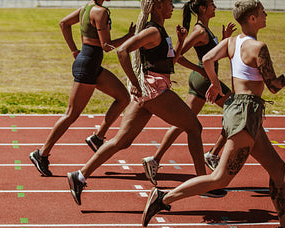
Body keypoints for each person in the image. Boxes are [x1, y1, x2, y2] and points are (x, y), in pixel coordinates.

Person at [142, 0, 285, 228]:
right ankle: (163, 197)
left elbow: (207, 60)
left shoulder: (232, 42)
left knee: (277, 168)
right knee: (221, 178)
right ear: (252, 19)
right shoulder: (259, 47)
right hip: (246, 113)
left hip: (246, 112)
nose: (266, 14)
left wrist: (215, 83)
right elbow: (275, 86)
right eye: (262, 12)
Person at [68, 0, 221, 205]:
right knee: (194, 127)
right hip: (155, 91)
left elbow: (171, 61)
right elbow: (122, 51)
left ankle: (79, 175)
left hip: (147, 93)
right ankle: (203, 183)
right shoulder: (153, 32)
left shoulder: (158, 30)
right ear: (158, 6)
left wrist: (180, 41)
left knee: (122, 141)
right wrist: (133, 82)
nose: (172, 7)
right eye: (168, 3)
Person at [29, 0, 135, 177]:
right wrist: (129, 36)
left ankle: (98, 137)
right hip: (87, 66)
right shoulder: (100, 12)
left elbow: (63, 24)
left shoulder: (86, 8)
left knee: (124, 97)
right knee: (71, 113)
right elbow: (106, 46)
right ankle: (41, 154)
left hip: (90, 64)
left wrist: (73, 51)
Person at [142, 0, 237, 187]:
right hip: (205, 80)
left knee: (182, 123)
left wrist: (225, 39)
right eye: (211, 4)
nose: (215, 7)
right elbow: (176, 55)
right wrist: (199, 69)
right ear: (202, 8)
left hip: (202, 79)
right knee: (237, 112)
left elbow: (214, 54)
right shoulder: (199, 31)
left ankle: (155, 159)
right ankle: (213, 153)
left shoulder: (206, 29)